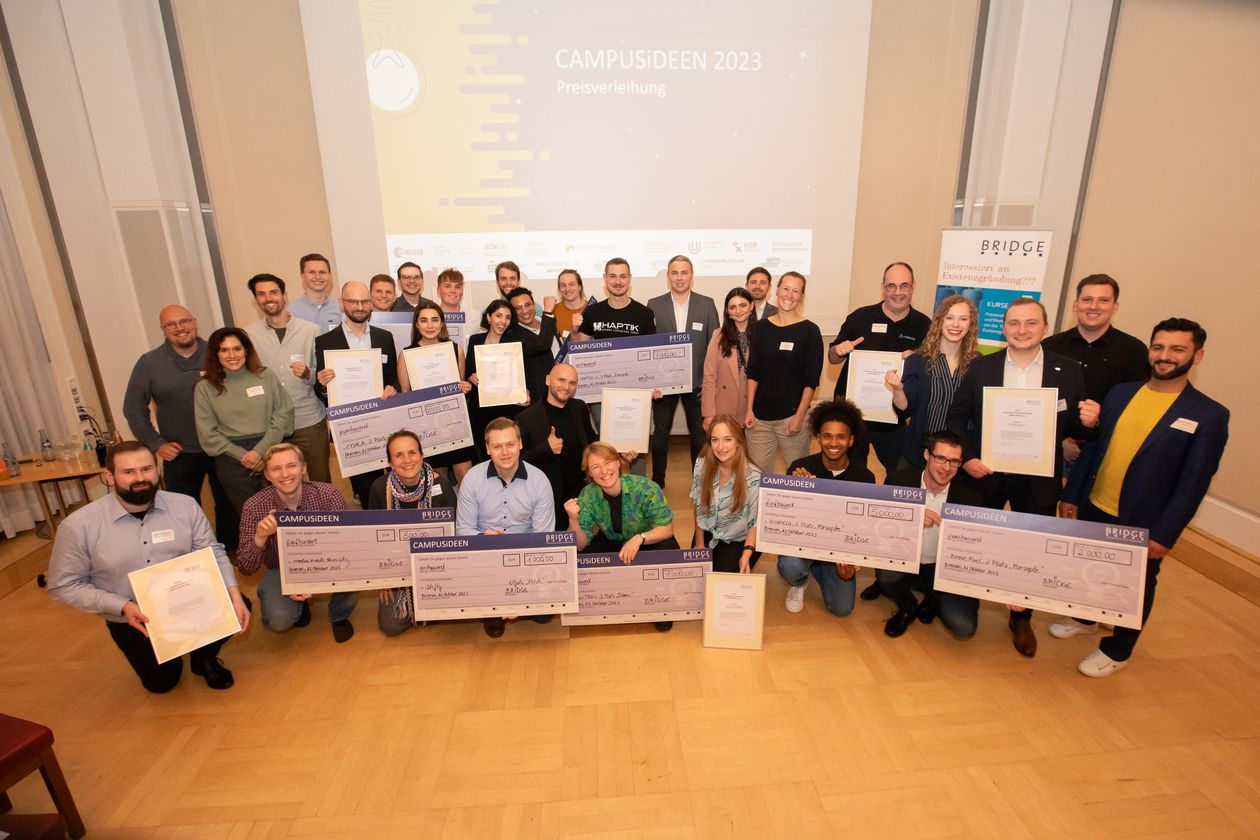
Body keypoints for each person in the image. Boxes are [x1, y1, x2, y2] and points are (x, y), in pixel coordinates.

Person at [1054, 318, 1229, 677]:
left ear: (1197, 356)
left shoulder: (1207, 415)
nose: (1165, 356)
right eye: (1159, 347)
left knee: (1135, 584)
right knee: (1090, 567)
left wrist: (1165, 534)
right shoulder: (1121, 392)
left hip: (1144, 517)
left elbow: (1194, 483)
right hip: (1097, 503)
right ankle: (1086, 618)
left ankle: (1118, 649)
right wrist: (1072, 494)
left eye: (1176, 349)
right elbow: (1092, 449)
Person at [946, 296, 1095, 657]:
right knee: (977, 538)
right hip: (986, 473)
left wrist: (1089, 422)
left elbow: (1074, 426)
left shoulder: (1068, 369)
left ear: (1045, 327)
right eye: (1014, 323)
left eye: (1031, 323)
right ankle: (967, 599)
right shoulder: (982, 367)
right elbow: (956, 419)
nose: (1022, 330)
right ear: (1003, 328)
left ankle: (1022, 616)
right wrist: (966, 459)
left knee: (1031, 548)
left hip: (1038, 479)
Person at [47, 441, 251, 692]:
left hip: (187, 599)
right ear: (109, 477)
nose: (140, 478)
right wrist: (121, 606)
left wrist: (232, 592)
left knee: (239, 604)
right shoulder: (79, 526)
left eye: (146, 469)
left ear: (159, 469)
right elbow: (63, 586)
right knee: (162, 683)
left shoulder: (184, 506)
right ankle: (175, 652)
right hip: (133, 615)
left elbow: (212, 552)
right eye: (128, 472)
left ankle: (203, 656)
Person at [123, 304, 237, 551]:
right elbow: (133, 409)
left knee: (228, 503)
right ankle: (194, 553)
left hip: (222, 447)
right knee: (181, 509)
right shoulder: (149, 363)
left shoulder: (218, 354)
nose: (179, 328)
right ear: (163, 330)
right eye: (171, 325)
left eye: (184, 321)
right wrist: (157, 445)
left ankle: (229, 551)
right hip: (179, 452)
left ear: (195, 323)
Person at [235, 443, 358, 643]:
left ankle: (339, 615)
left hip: (329, 561)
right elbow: (246, 567)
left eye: (291, 466)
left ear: (303, 468)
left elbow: (351, 543)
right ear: (266, 475)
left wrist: (315, 577)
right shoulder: (254, 507)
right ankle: (299, 609)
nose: (285, 474)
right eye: (276, 469)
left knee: (355, 570)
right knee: (279, 619)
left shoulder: (328, 495)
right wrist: (260, 537)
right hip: (281, 570)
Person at [875, 430, 985, 638]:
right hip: (907, 560)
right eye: (941, 458)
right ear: (927, 455)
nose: (946, 467)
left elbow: (979, 551)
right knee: (886, 574)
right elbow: (879, 526)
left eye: (954, 461)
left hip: (943, 568)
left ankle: (933, 599)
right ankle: (908, 605)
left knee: (963, 628)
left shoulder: (971, 497)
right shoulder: (899, 480)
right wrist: (911, 519)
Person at [455, 418, 556, 637]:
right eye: (497, 446)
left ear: (520, 444)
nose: (505, 452)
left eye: (510, 444)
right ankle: (494, 606)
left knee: (545, 615)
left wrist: (521, 581)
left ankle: (520, 605)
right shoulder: (472, 479)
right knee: (493, 627)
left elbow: (543, 538)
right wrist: (483, 538)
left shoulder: (539, 481)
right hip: (486, 555)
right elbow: (463, 530)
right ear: (488, 449)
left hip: (526, 556)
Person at [828, 261, 932, 473]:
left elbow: (932, 372)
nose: (897, 292)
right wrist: (838, 350)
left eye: (904, 286)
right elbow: (832, 358)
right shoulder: (860, 317)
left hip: (895, 419)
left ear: (913, 287)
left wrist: (919, 360)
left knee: (900, 476)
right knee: (851, 475)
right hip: (855, 418)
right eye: (891, 286)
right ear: (883, 287)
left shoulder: (924, 325)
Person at [565, 441, 678, 631]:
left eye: (608, 462)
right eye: (595, 467)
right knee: (580, 560)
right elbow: (580, 545)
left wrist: (639, 538)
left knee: (668, 549)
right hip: (613, 539)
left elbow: (667, 528)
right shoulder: (588, 495)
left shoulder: (645, 488)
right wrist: (573, 520)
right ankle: (612, 598)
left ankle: (659, 603)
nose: (603, 471)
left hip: (647, 539)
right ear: (590, 474)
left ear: (618, 462)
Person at [777, 399, 874, 617]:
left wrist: (850, 564)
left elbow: (863, 528)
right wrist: (801, 492)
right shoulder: (800, 468)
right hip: (804, 543)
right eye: (827, 436)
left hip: (838, 550)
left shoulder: (865, 478)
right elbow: (785, 518)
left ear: (851, 440)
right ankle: (799, 582)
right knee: (789, 567)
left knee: (842, 608)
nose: (833, 442)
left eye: (841, 437)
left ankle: (818, 570)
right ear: (818, 437)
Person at [1042, 274, 1150, 465]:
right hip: (1054, 450)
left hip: (1107, 453)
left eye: (1103, 300)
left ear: (1115, 306)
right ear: (1075, 305)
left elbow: (1136, 409)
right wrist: (1062, 440)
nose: (1093, 306)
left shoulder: (1134, 351)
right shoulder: (1050, 347)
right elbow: (1039, 400)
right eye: (1087, 299)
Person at [314, 280, 400, 508]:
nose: (360, 306)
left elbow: (392, 377)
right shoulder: (325, 342)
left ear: (371, 304)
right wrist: (322, 384)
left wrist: (393, 388)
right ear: (342, 304)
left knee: (397, 481)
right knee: (367, 488)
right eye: (353, 301)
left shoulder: (384, 337)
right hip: (352, 429)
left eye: (364, 301)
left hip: (384, 422)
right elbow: (320, 389)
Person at [193, 327, 294, 516]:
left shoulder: (265, 376)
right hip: (232, 458)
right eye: (224, 350)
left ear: (246, 350)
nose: (232, 355)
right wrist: (244, 456)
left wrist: (259, 451)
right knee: (252, 515)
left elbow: (284, 413)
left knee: (284, 511)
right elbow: (208, 432)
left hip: (271, 449)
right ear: (216, 354)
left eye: (237, 349)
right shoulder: (204, 388)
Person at [243, 273, 330, 483]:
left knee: (320, 480)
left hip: (308, 419)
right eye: (261, 294)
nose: (268, 298)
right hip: (271, 424)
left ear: (284, 296)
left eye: (273, 292)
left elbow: (322, 376)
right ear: (256, 300)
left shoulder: (311, 330)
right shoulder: (248, 335)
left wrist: (308, 373)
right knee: (278, 482)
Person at [368, 431, 456, 637]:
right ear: (389, 462)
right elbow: (373, 537)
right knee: (391, 626)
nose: (407, 460)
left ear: (422, 455)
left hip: (435, 565)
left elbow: (453, 535)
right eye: (398, 455)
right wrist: (382, 579)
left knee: (453, 610)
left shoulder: (441, 485)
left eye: (412, 452)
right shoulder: (379, 488)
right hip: (397, 568)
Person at [883, 294, 980, 471]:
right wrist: (897, 389)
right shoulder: (918, 360)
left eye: (963, 319)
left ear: (971, 324)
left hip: (960, 454)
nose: (956, 324)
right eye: (949, 318)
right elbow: (905, 410)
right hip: (922, 449)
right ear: (939, 321)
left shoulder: (978, 364)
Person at [647, 255, 720, 486]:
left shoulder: (707, 303)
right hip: (663, 385)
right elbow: (648, 346)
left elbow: (715, 345)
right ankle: (658, 482)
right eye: (675, 273)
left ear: (692, 275)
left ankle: (700, 480)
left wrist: (712, 383)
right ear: (668, 276)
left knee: (699, 436)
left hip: (697, 383)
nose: (679, 278)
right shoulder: (654, 304)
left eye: (684, 272)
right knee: (659, 435)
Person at [745, 271, 823, 472]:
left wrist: (799, 416)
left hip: (792, 419)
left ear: (801, 297)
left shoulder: (811, 331)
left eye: (796, 291)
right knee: (758, 479)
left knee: (797, 477)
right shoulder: (761, 328)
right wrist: (749, 409)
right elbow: (753, 372)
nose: (789, 295)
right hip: (759, 420)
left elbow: (811, 380)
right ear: (777, 291)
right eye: (786, 289)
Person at [396, 301, 475, 482]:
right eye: (424, 320)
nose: (430, 326)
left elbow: (459, 386)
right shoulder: (406, 355)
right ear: (416, 325)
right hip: (426, 426)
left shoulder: (456, 350)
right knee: (439, 479)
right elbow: (405, 393)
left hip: (454, 422)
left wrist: (466, 388)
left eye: (434, 320)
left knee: (466, 476)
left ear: (442, 324)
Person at [518, 363, 596, 529]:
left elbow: (591, 443)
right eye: (561, 380)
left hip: (581, 491)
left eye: (572, 383)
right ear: (548, 380)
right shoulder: (526, 418)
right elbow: (516, 461)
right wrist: (546, 448)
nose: (566, 387)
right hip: (549, 497)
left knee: (582, 541)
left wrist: (618, 453)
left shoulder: (579, 407)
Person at [690, 415, 761, 574]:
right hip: (709, 530)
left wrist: (747, 552)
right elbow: (698, 504)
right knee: (697, 580)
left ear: (738, 441)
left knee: (720, 584)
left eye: (727, 439)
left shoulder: (754, 477)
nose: (720, 446)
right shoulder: (702, 464)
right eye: (715, 440)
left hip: (739, 539)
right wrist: (699, 544)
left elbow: (755, 523)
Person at [465, 300, 534, 454]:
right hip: (481, 410)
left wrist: (525, 392)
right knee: (486, 451)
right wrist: (471, 377)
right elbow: (467, 373)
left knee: (507, 452)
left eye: (508, 317)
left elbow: (523, 375)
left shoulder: (514, 344)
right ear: (489, 317)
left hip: (507, 408)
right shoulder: (475, 340)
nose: (503, 321)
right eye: (499, 316)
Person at [701, 288, 758, 431]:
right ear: (728, 312)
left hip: (753, 408)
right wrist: (708, 414)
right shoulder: (718, 335)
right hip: (724, 407)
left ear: (751, 306)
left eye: (743, 305)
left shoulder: (762, 334)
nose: (738, 311)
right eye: (733, 307)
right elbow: (709, 376)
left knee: (751, 453)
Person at [505, 286, 558, 399]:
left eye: (528, 305)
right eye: (518, 308)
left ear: (534, 305)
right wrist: (548, 311)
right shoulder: (513, 335)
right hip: (538, 397)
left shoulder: (546, 322)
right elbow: (542, 345)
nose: (524, 311)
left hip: (561, 388)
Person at [287, 253, 341, 333]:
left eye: (322, 272)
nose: (318, 277)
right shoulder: (291, 312)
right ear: (302, 275)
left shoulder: (340, 310)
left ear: (330, 275)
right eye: (312, 272)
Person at [546, 268, 588, 339]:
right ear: (559, 289)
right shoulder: (553, 311)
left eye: (571, 284)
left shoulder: (592, 308)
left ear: (580, 286)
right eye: (563, 285)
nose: (567, 289)